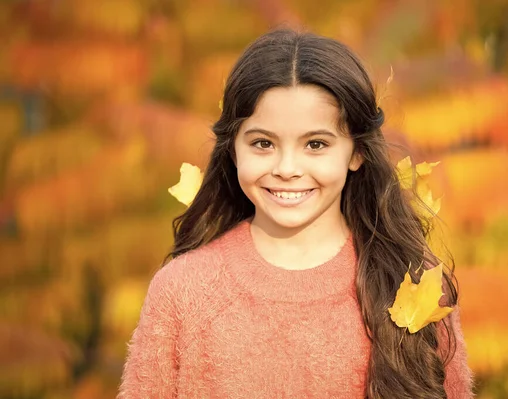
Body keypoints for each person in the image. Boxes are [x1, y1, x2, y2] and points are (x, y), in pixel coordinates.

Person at [117, 29, 474, 398]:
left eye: (315, 144)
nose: (287, 167)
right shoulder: (182, 291)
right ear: (234, 150)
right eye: (263, 143)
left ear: (356, 152)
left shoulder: (414, 287)